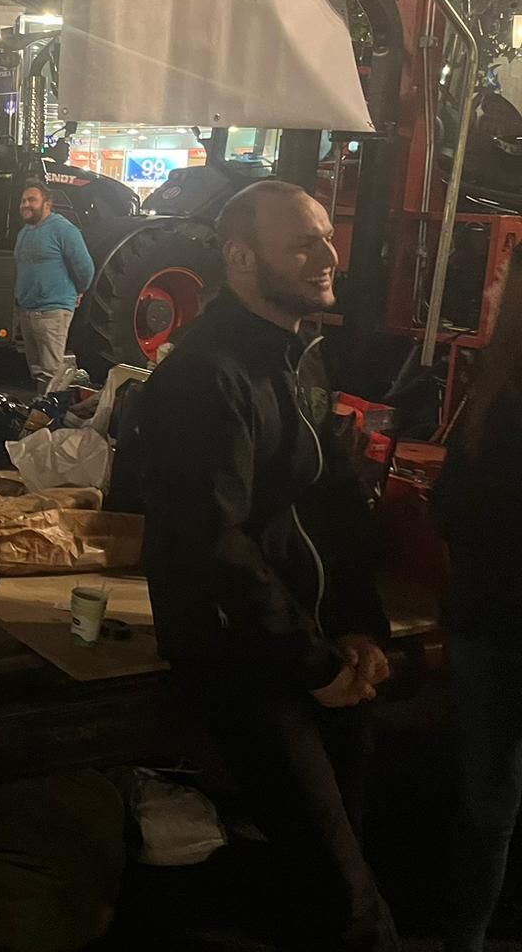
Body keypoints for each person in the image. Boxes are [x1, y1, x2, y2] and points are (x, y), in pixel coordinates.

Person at [132, 180, 397, 951]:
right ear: (242, 260)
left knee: (328, 867)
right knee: (349, 900)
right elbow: (216, 548)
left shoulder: (299, 359)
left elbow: (332, 505)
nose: (329, 254)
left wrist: (359, 629)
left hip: (313, 646)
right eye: (303, 242)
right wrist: (312, 663)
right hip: (245, 660)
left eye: (325, 235)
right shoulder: (202, 377)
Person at [434, 238, 522, 952]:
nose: (488, 290)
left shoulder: (494, 395)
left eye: (498, 279)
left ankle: (464, 941)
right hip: (493, 623)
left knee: (487, 807)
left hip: (486, 624)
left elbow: (451, 511)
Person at [13, 181, 94, 390]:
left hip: (52, 310)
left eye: (32, 200)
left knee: (51, 372)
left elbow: (85, 267)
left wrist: (79, 290)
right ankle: (39, 413)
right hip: (28, 311)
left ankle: (50, 416)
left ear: (47, 204)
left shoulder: (63, 230)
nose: (25, 204)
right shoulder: (25, 232)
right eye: (23, 201)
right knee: (38, 370)